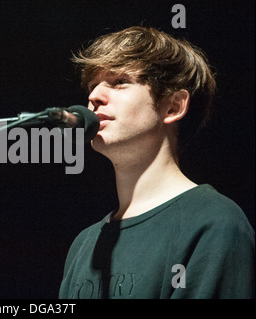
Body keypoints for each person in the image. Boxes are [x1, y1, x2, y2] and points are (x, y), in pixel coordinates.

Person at [58, 26, 255, 299]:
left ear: (173, 107)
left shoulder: (214, 223)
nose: (94, 97)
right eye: (93, 86)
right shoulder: (85, 244)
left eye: (119, 82)